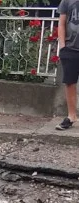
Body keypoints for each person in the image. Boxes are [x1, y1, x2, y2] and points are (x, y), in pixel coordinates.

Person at [57, 0, 79, 130]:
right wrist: (62, 46)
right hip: (70, 48)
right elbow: (61, 23)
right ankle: (71, 116)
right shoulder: (67, 1)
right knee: (70, 83)